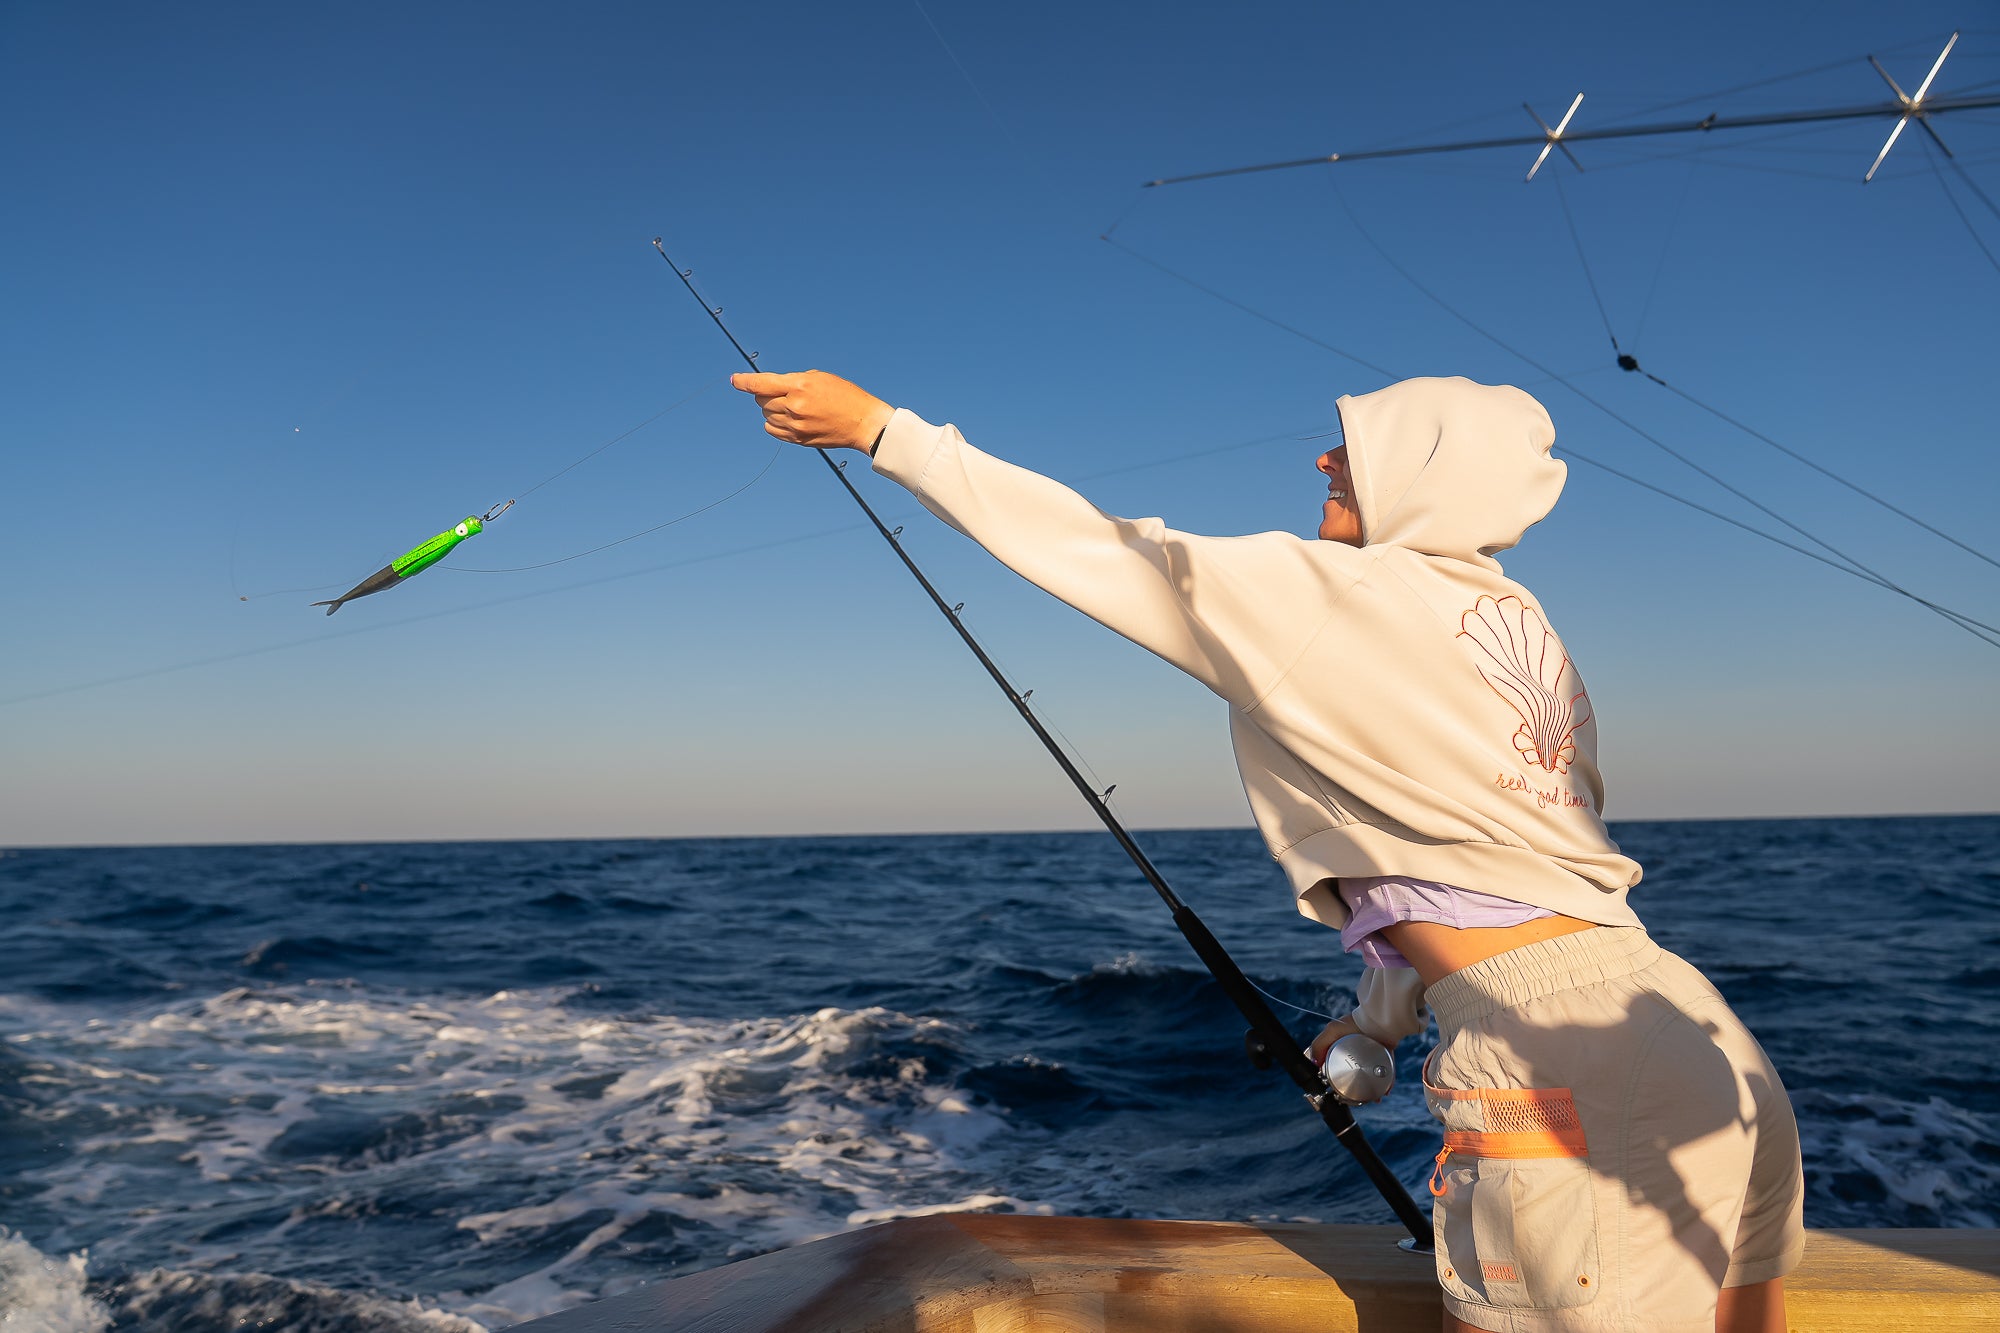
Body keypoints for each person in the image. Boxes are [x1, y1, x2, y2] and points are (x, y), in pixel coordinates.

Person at [731, 368, 1804, 1333]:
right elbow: (1487, 870)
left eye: (1356, 445)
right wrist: (1379, 1024)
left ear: (1427, 474)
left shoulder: (1339, 592)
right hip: (1691, 1026)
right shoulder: (1518, 622)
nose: (1324, 460)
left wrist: (883, 431)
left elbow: (1103, 549)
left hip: (1561, 1061)